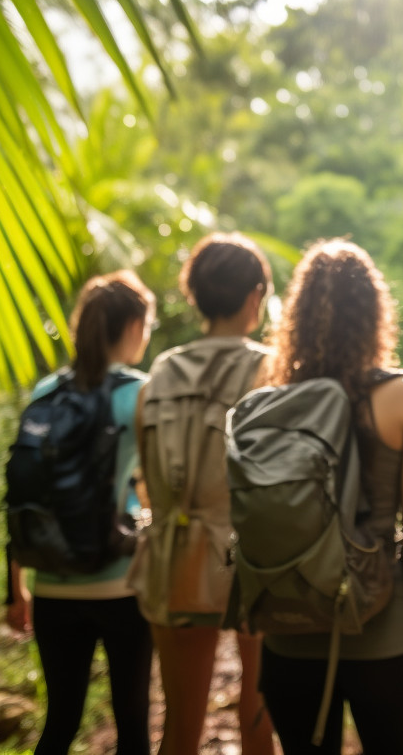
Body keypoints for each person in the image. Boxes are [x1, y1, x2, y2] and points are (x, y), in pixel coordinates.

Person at [256, 239, 403, 755]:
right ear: (375, 313)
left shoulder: (266, 404)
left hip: (288, 635)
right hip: (387, 635)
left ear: (295, 316)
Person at [132, 233, 276, 755]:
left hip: (174, 556)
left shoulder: (161, 372)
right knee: (260, 712)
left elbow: (146, 475)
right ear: (255, 295)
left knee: (180, 724)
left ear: (194, 296)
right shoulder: (272, 369)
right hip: (255, 562)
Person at [6, 270, 156, 755]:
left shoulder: (47, 391)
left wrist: (17, 588)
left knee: (62, 719)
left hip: (51, 582)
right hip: (119, 584)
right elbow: (161, 486)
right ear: (134, 326)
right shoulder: (140, 392)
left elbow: (27, 491)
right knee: (132, 723)